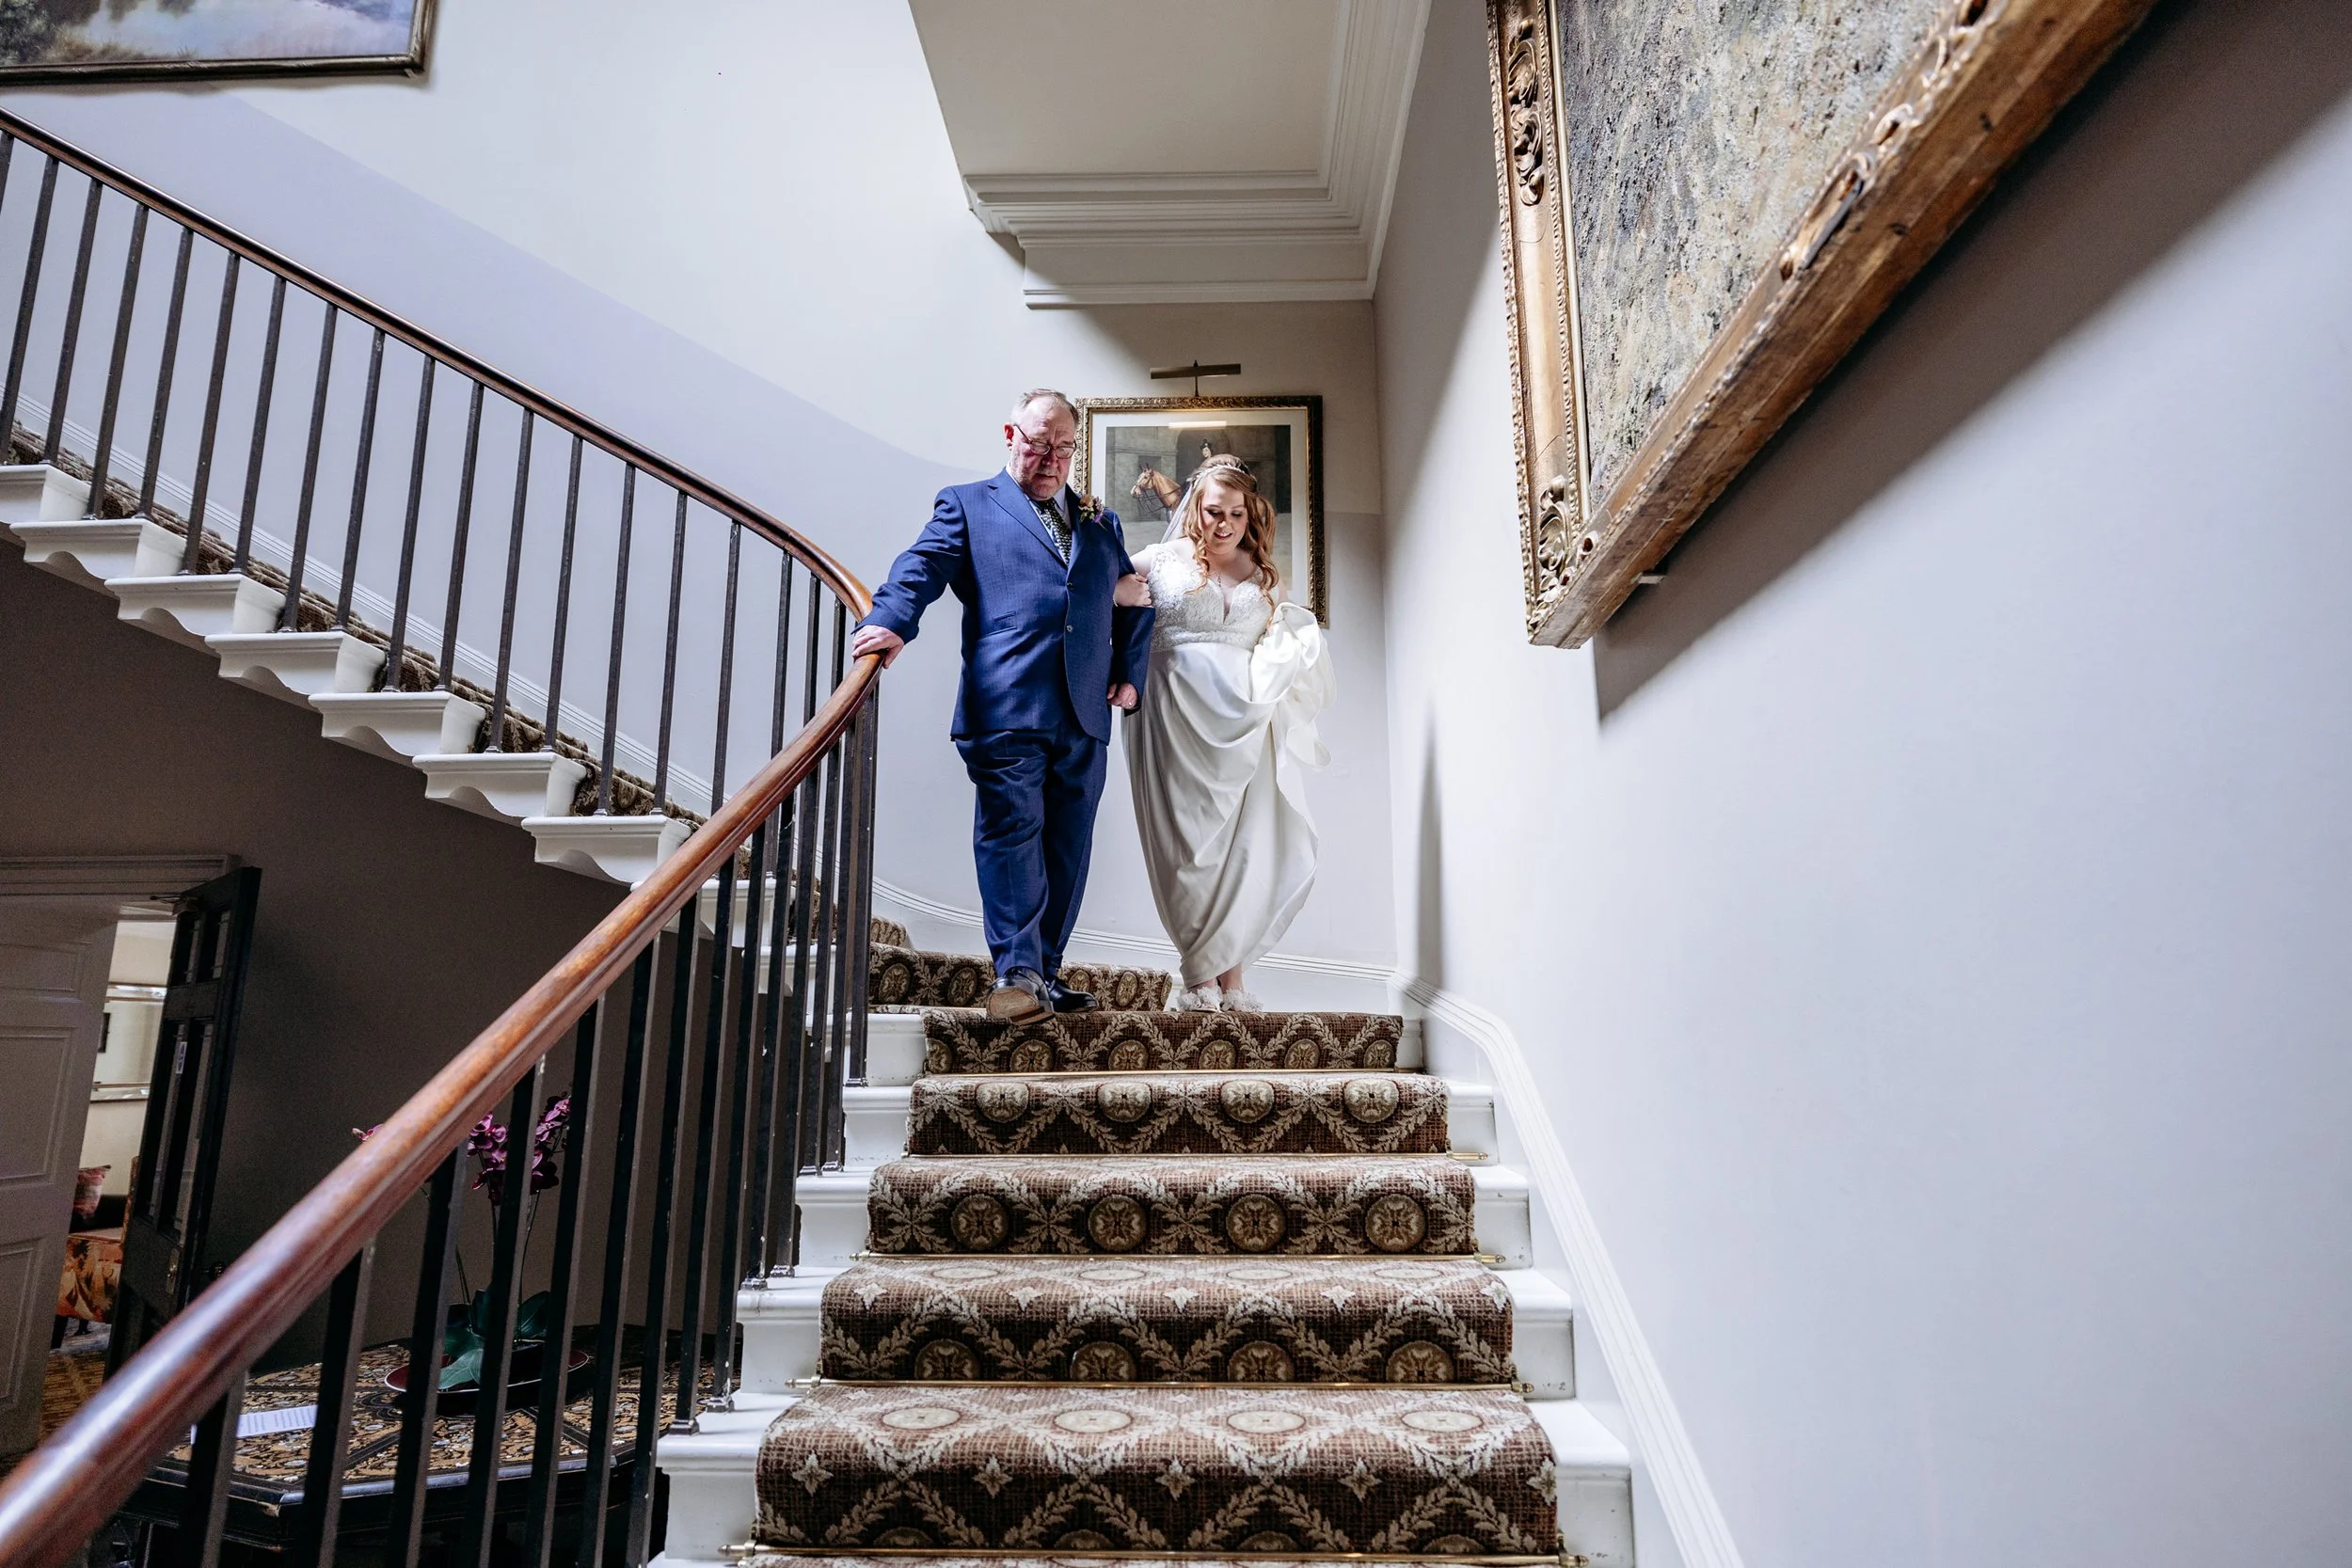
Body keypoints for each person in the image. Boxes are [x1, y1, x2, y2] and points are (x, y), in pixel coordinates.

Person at [850, 389, 1153, 1023]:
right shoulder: (967, 505)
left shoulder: (1102, 522)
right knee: (1012, 831)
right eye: (1039, 443)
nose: (1050, 458)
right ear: (1010, 434)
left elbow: (1135, 596)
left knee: (1069, 845)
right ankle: (1014, 970)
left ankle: (1041, 971)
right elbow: (922, 566)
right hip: (1007, 703)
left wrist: (1129, 670)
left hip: (1084, 710)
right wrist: (892, 620)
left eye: (1063, 447)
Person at [1118, 455, 1332, 1011]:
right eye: (1215, 511)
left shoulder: (1264, 575)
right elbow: (1097, 591)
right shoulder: (1160, 559)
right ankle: (1199, 975)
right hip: (1172, 718)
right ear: (1194, 505)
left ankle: (1232, 980)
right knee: (1187, 847)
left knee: (1244, 847)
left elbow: (1281, 639)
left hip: (1244, 723)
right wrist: (1118, 601)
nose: (1226, 524)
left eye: (1237, 513)